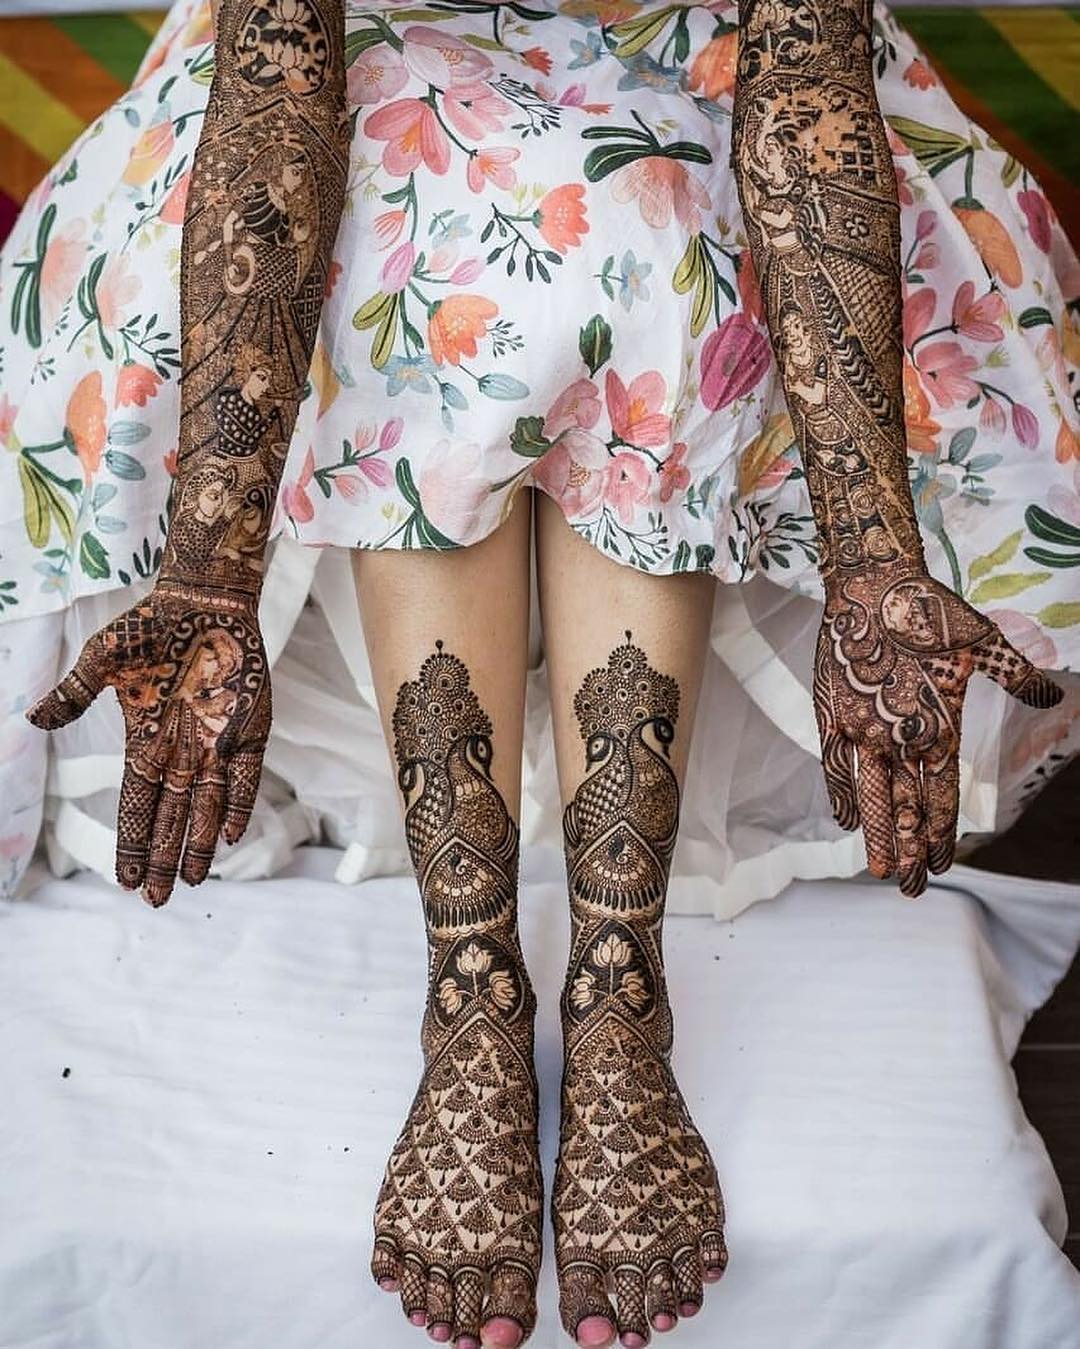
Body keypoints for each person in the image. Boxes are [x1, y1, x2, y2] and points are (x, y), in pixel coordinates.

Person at [3, 1, 1075, 1346]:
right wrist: (211, 572)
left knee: (643, 216)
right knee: (419, 188)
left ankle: (620, 989)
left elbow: (802, 69)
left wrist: (871, 557)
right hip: (330, 101)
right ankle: (472, 991)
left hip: (717, 97)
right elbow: (279, 88)